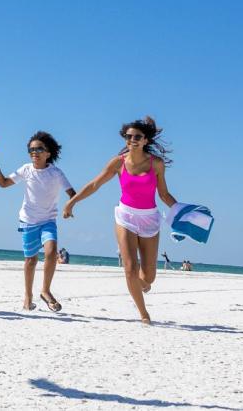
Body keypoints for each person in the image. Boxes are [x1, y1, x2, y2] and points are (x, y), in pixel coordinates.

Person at [63, 116, 177, 325]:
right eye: (128, 136)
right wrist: (72, 202)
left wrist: (181, 212)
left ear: (145, 140)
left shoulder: (156, 164)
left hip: (150, 218)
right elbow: (95, 184)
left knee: (148, 277)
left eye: (137, 136)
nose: (132, 139)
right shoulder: (118, 162)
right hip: (125, 216)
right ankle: (144, 314)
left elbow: (164, 195)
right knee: (130, 268)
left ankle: (140, 284)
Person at [0, 131, 76, 312]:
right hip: (28, 220)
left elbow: (72, 193)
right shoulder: (26, 169)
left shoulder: (56, 173)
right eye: (31, 150)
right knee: (31, 260)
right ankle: (28, 296)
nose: (34, 153)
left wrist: (69, 207)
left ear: (48, 153)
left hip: (48, 220)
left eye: (39, 149)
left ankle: (45, 291)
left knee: (52, 252)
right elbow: (4, 183)